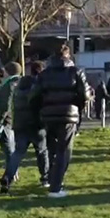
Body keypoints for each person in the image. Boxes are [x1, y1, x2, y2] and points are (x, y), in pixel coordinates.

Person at [29, 44, 90, 198]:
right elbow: (84, 94)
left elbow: (33, 96)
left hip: (48, 114)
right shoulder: (75, 72)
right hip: (68, 114)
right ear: (68, 55)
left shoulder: (44, 74)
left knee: (51, 148)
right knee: (65, 151)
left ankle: (50, 178)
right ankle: (56, 186)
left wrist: (41, 109)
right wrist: (77, 106)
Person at [4, 60, 50, 191]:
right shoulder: (40, 85)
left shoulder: (19, 86)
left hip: (20, 123)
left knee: (18, 152)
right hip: (36, 123)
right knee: (42, 151)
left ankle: (8, 177)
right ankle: (45, 178)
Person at [0, 62, 22, 192]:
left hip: (6, 121)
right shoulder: (13, 83)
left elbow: (6, 104)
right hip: (10, 120)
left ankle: (12, 172)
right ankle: (12, 171)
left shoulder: (9, 85)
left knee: (9, 149)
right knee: (8, 148)